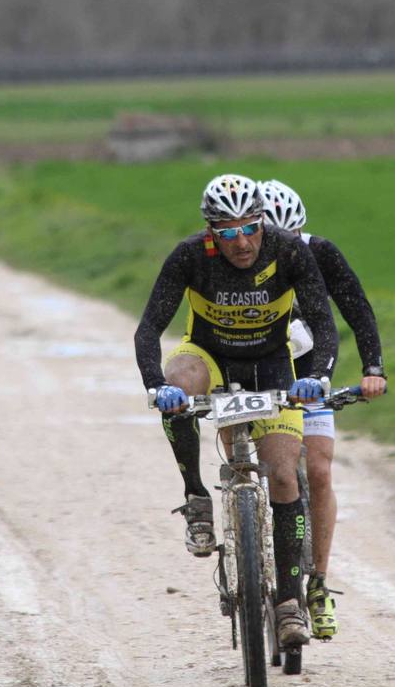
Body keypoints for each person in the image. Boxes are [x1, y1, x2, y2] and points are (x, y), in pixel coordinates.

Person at [135, 173, 340, 648]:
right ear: (211, 232)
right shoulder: (189, 256)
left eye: (250, 227)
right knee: (179, 379)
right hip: (212, 356)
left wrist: (319, 376)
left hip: (271, 364)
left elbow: (326, 325)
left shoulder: (288, 250)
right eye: (227, 232)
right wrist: (156, 386)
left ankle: (289, 604)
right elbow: (148, 331)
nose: (241, 241)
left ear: (263, 223)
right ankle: (197, 499)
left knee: (286, 475)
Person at [260, 178, 387, 641]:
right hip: (254, 374)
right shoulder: (234, 263)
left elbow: (356, 308)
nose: (285, 251)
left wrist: (374, 367)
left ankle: (317, 582)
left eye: (292, 240)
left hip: (308, 376)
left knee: (318, 469)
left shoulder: (321, 252)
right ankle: (246, 532)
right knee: (262, 468)